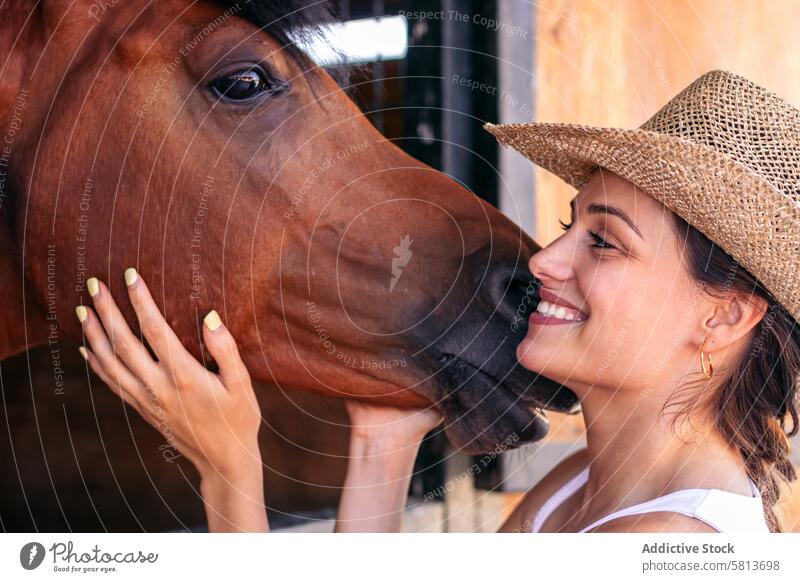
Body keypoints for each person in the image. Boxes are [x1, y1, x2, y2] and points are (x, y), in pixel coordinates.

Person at [76, 70, 799, 533]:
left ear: (725, 315)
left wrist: (230, 466)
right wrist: (384, 443)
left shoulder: (665, 545)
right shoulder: (579, 484)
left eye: (604, 242)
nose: (546, 260)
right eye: (567, 225)